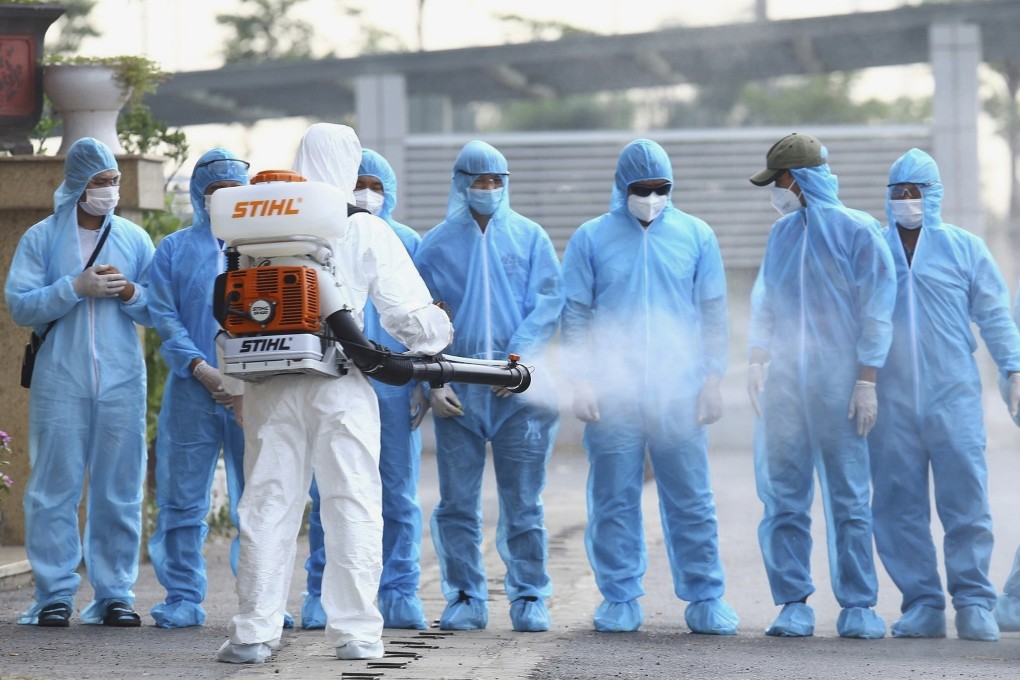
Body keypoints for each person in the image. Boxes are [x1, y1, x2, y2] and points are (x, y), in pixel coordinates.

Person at [216, 123, 452, 664]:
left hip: (270, 384)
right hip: (341, 380)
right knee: (352, 501)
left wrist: (236, 387)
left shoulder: (254, 227)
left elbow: (234, 311)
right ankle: (356, 633)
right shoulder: (362, 227)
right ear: (349, 165)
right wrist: (437, 333)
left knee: (268, 504)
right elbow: (407, 314)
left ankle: (252, 633)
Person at [560, 138, 738, 635]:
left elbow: (712, 311)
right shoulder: (591, 238)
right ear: (623, 187)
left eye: (662, 188)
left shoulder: (696, 235)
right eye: (642, 189)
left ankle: (706, 597)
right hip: (613, 393)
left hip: (679, 390)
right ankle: (619, 597)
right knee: (613, 498)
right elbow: (574, 313)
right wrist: (581, 379)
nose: (652, 198)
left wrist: (713, 379)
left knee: (691, 499)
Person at [747, 132, 896, 639]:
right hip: (786, 383)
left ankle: (858, 604)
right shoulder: (782, 234)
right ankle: (793, 603)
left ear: (798, 178)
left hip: (839, 384)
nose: (776, 191)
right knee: (784, 496)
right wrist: (758, 356)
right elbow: (766, 298)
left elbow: (878, 310)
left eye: (778, 181)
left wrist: (866, 380)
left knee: (850, 498)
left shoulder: (859, 231)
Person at [867, 148, 1020, 641]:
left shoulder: (964, 248)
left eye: (915, 191)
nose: (906, 199)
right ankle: (923, 604)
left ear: (934, 196)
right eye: (898, 192)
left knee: (966, 500)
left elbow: (994, 314)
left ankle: (973, 601)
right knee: (898, 505)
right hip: (889, 399)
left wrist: (1014, 367)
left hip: (952, 394)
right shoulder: (873, 247)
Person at [413, 140, 564, 633]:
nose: (488, 188)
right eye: (479, 180)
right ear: (461, 183)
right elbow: (420, 316)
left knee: (524, 502)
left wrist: (516, 363)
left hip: (518, 390)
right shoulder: (436, 244)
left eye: (497, 180)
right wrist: (432, 381)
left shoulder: (530, 237)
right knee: (457, 503)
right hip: (458, 386)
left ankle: (529, 596)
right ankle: (465, 597)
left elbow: (549, 302)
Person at [4, 137, 154, 627]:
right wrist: (74, 287)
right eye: (100, 181)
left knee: (120, 488)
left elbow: (158, 306)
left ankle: (115, 594)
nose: (110, 189)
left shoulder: (134, 238)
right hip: (60, 380)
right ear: (77, 183)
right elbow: (21, 304)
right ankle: (54, 594)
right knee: (53, 486)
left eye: (115, 180)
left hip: (121, 379)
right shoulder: (42, 238)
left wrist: (129, 291)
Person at [302, 148, 432, 631]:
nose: (367, 194)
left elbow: (421, 310)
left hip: (394, 385)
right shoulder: (318, 233)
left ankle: (399, 591)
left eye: (377, 186)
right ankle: (320, 592)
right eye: (360, 183)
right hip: (335, 376)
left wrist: (425, 381)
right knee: (330, 491)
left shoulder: (406, 240)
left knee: (397, 495)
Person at [146, 148, 250, 628]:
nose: (224, 198)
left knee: (260, 498)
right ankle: (182, 596)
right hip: (192, 389)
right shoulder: (173, 249)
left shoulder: (265, 249)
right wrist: (201, 367)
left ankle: (261, 598)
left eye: (233, 190)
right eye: (215, 191)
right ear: (198, 195)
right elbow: (164, 315)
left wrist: (243, 376)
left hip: (254, 390)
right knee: (182, 497)